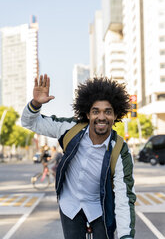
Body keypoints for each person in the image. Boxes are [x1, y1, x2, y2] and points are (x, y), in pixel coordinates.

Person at [21, 74, 136, 239]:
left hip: (100, 207)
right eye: (95, 111)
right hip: (70, 203)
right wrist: (36, 103)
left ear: (115, 116)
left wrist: (126, 236)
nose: (101, 117)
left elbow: (124, 197)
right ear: (88, 114)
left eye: (108, 112)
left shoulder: (120, 150)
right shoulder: (70, 128)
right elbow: (29, 123)